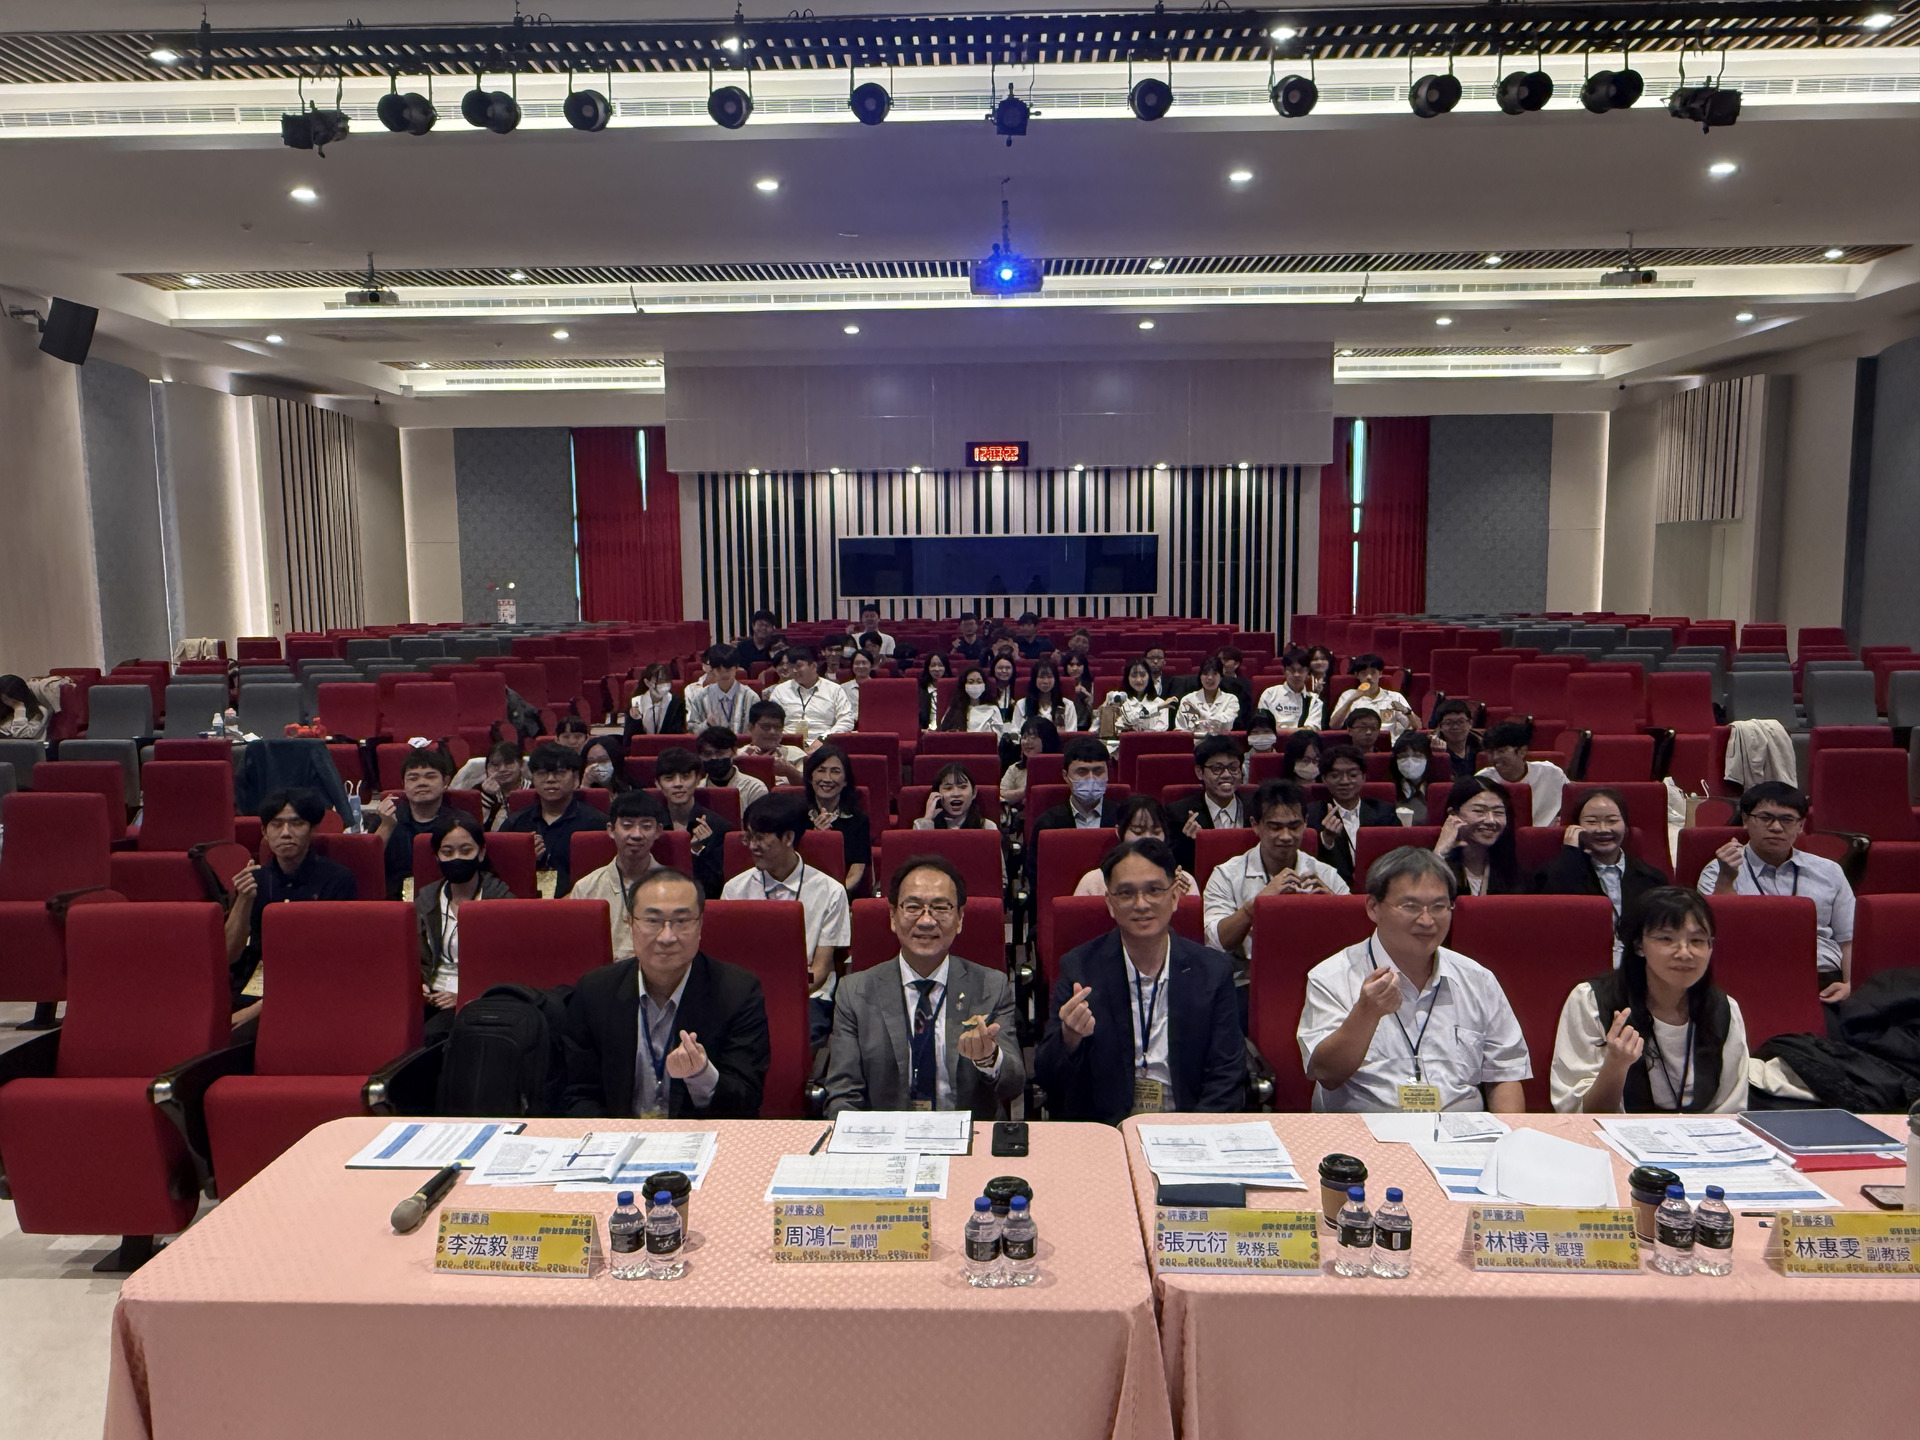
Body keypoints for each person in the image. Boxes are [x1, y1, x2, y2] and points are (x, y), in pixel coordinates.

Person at [1298, 846, 1530, 1113]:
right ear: (1373, 907)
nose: (1427, 920)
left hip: (1460, 1131)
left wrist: (1509, 1135)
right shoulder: (1332, 976)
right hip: (1364, 1130)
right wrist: (1366, 1013)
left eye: (1439, 907)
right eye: (1411, 907)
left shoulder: (1478, 979)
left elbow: (1505, 1075)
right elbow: (1327, 1074)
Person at [1036, 838, 1245, 1122]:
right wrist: (1069, 1039)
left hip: (1188, 1124)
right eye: (1126, 893)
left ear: (1174, 897)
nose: (1141, 904)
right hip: (1108, 1130)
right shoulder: (1080, 969)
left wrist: (1194, 1132)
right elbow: (1048, 1078)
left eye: (1154, 890)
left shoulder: (1212, 971)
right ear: (1110, 904)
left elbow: (1227, 1075)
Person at [822, 856, 1024, 1117]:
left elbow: (1013, 1084)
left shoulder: (990, 986)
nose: (926, 920)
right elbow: (843, 1095)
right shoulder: (855, 992)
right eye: (913, 907)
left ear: (960, 918)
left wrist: (989, 1058)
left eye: (940, 908)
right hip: (887, 1135)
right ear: (893, 916)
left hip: (966, 1133)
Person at [562, 867, 771, 1118]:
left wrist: (701, 1074)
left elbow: (747, 1100)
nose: (667, 936)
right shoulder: (595, 991)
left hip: (700, 1134)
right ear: (630, 923)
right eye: (653, 921)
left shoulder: (737, 992)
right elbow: (578, 1094)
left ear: (700, 925)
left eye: (682, 921)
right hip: (618, 1135)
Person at [1550, 887, 1748, 1114]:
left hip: (1705, 1134)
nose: (1684, 953)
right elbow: (1579, 1116)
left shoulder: (1724, 1010)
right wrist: (1616, 1064)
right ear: (1639, 945)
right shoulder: (1592, 1001)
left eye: (1697, 940)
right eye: (1666, 938)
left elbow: (1732, 1111)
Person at [1697, 782, 1855, 1002]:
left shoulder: (1829, 871)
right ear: (1745, 820)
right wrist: (1726, 879)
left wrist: (1850, 984)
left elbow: (1849, 939)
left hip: (1821, 977)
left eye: (1787, 819)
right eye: (1765, 818)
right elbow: (1718, 935)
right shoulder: (1718, 870)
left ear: (1801, 825)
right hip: (1750, 976)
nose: (1776, 827)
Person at [1203, 780, 1348, 1010]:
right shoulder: (1227, 874)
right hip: (1248, 982)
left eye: (1294, 826)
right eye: (1275, 827)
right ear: (1255, 825)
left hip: (1318, 979)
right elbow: (1216, 942)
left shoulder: (1325, 875)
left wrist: (1334, 908)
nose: (1286, 836)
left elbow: (1356, 941)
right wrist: (1255, 907)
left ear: (1306, 823)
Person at [722, 792, 851, 1045]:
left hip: (808, 996)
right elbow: (729, 963)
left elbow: (821, 970)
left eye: (760, 838)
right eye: (749, 837)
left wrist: (781, 998)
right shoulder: (734, 889)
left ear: (789, 838)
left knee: (797, 1036)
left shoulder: (830, 891)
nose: (752, 846)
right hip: (748, 997)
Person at [223, 788, 358, 1016]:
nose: (285, 833)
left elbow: (335, 958)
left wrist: (260, 1009)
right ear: (264, 832)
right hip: (255, 982)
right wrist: (244, 900)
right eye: (276, 825)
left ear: (313, 829)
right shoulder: (255, 880)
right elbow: (227, 955)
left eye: (296, 824)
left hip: (312, 990)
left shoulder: (337, 879)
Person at [1535, 787, 1668, 962]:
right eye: (1592, 822)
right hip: (1581, 962)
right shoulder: (1555, 874)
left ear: (1626, 827)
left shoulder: (1653, 878)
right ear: (1576, 827)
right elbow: (1555, 921)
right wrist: (1570, 853)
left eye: (1612, 821)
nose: (1603, 829)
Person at [415, 813, 514, 1038]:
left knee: (431, 1036)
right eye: (447, 852)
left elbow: (507, 968)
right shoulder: (426, 901)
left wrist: (464, 995)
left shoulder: (503, 902)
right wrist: (418, 986)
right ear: (437, 856)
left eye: (466, 851)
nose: (457, 858)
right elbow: (416, 958)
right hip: (432, 997)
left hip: (479, 998)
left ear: (481, 852)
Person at [571, 791, 671, 960]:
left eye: (646, 826)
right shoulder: (586, 888)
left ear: (658, 831)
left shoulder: (676, 888)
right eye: (627, 825)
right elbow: (577, 948)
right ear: (611, 829)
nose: (637, 834)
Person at [502, 742, 608, 897]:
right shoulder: (515, 823)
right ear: (533, 779)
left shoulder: (597, 824)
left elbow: (606, 876)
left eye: (560, 773)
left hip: (580, 903)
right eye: (542, 773)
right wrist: (524, 860)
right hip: (523, 903)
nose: (550, 779)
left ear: (576, 779)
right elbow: (498, 873)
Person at [1026, 735, 1128, 886]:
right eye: (1082, 772)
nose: (1091, 778)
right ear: (1066, 776)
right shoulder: (1047, 823)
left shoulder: (1124, 818)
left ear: (1108, 774)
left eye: (1098, 771)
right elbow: (1036, 876)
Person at [1309, 744, 1402, 887]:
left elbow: (1399, 854)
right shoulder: (1313, 814)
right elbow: (1308, 861)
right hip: (1331, 889)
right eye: (1335, 775)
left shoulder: (1384, 811)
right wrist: (1326, 839)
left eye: (1352, 775)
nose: (1345, 781)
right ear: (1324, 779)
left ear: (1364, 777)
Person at [374, 741, 455, 898]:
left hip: (445, 899)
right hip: (392, 901)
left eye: (430, 776)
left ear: (445, 782)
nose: (422, 783)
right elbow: (367, 867)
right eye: (413, 778)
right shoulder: (386, 819)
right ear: (403, 785)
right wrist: (386, 827)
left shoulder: (459, 822)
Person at [1074, 795, 1196, 897]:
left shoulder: (1183, 881)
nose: (1148, 839)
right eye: (1138, 831)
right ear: (1119, 832)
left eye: (1156, 832)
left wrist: (1178, 898)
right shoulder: (1094, 881)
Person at [654, 746, 733, 898]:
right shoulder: (650, 826)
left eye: (685, 777)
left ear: (697, 779)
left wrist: (698, 852)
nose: (678, 784)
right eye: (669, 778)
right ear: (658, 784)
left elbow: (717, 887)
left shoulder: (719, 827)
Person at [1165, 735, 1247, 874]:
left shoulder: (1257, 808)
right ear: (1199, 772)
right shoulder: (1178, 814)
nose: (1226, 775)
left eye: (1233, 767)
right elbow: (1171, 865)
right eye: (1217, 768)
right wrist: (1189, 843)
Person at [1434, 776, 1524, 896]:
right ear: (1453, 814)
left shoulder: (1516, 872)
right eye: (1479, 811)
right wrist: (1440, 854)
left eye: (1498, 812)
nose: (1491, 821)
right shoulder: (1434, 859)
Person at [803, 743, 872, 896]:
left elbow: (856, 871)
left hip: (843, 894)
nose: (827, 779)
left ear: (846, 780)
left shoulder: (858, 820)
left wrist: (835, 895)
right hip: (804, 894)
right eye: (821, 770)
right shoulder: (795, 816)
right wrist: (815, 836)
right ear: (810, 777)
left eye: (835, 771)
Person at [1477, 719, 1567, 829]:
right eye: (1490, 752)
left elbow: (1573, 804)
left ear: (1522, 751)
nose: (1495, 757)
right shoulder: (1482, 780)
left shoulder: (1551, 773)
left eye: (1501, 751)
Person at [766, 645, 854, 746]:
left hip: (824, 744)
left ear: (813, 666)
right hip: (787, 744)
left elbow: (846, 720)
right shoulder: (780, 690)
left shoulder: (834, 690)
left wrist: (824, 738)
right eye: (791, 667)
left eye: (798, 666)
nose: (794, 671)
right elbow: (770, 719)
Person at [1327, 653, 1416, 738]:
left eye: (1373, 672)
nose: (1369, 677)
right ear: (1357, 675)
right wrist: (1351, 700)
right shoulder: (1348, 695)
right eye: (1364, 673)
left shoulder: (1395, 696)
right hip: (1359, 744)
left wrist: (1407, 712)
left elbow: (1415, 726)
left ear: (1380, 674)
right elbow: (1334, 726)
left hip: (1390, 745)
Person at [450, 740, 527, 833]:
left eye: (508, 763)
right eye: (495, 765)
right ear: (487, 767)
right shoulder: (477, 792)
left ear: (521, 764)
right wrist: (486, 795)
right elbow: (471, 828)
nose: (502, 769)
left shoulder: (532, 789)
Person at [683, 644, 757, 733]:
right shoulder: (700, 697)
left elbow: (756, 731)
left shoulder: (751, 697)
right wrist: (707, 724)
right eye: (718, 669)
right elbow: (691, 730)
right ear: (712, 670)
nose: (724, 674)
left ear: (736, 668)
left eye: (728, 669)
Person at [998, 716, 1059, 817]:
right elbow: (1002, 794)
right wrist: (1027, 791)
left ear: (1047, 739)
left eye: (1033, 737)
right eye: (1024, 737)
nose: (1026, 742)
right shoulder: (1015, 768)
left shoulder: (1060, 767)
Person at [695, 725, 768, 808]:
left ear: (734, 752)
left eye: (720, 753)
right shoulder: (696, 789)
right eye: (707, 754)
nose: (714, 758)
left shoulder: (754, 788)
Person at [915, 762, 998, 834]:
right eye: (948, 788)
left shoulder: (987, 826)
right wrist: (928, 819)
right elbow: (920, 847)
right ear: (937, 794)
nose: (956, 794)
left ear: (974, 793)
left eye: (963, 787)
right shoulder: (921, 825)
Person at [1257, 648, 1325, 730]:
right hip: (1274, 737)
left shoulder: (1314, 700)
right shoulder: (1269, 694)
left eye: (1301, 670)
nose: (1296, 675)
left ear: (1307, 672)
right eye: (1292, 670)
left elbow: (1311, 729)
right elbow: (1263, 726)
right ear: (1284, 671)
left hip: (1302, 738)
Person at [741, 700, 805, 786]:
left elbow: (811, 786)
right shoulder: (739, 756)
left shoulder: (796, 754)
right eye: (766, 726)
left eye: (778, 727)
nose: (772, 732)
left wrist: (790, 771)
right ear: (751, 727)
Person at [1175, 657, 1240, 735]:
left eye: (1214, 673)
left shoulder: (1231, 699)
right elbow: (1181, 729)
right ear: (1200, 676)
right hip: (1194, 741)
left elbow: (1225, 723)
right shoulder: (1188, 700)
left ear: (1221, 677)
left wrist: (1201, 720)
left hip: (1221, 741)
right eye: (1205, 674)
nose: (1210, 678)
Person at [1107, 659, 1170, 733]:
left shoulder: (1161, 703)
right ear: (1127, 678)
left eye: (1143, 675)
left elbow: (1161, 730)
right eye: (1134, 675)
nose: (1138, 680)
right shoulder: (1117, 700)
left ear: (1149, 677)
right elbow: (1115, 728)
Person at [1020, 658, 1082, 732]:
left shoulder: (1068, 705)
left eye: (1050, 677)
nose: (1046, 681)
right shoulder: (1022, 704)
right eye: (1041, 677)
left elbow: (1071, 733)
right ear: (1034, 680)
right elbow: (1016, 732)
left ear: (1055, 679)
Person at [625, 663, 686, 737]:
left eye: (666, 681)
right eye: (660, 681)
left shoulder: (676, 703)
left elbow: (677, 734)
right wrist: (636, 720)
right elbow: (629, 737)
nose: (664, 685)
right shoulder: (636, 702)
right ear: (647, 682)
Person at [1428, 697, 1480, 780]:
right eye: (1449, 723)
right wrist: (1438, 756)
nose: (1455, 727)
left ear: (1470, 723)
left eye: (1461, 722)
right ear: (1440, 726)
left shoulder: (1482, 745)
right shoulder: (1429, 748)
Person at [940, 666, 1003, 733]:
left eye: (979, 682)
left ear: (985, 685)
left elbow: (998, 735)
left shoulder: (993, 710)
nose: (975, 685)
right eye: (970, 682)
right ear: (964, 685)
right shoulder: (953, 710)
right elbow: (945, 733)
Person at [1389, 730, 1432, 823]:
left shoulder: (1436, 790)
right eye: (1403, 756)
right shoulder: (1389, 791)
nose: (1410, 761)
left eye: (1417, 756)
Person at [0, 674, 50, 740]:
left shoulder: (39, 711)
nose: (9, 702)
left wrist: (19, 709)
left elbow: (23, 736)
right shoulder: (4, 708)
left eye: (13, 699)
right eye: (5, 699)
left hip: (23, 745)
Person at [987, 654, 1022, 733]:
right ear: (993, 669)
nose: (1004, 671)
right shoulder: (987, 689)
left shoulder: (1018, 689)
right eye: (1000, 668)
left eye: (1008, 668)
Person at [916, 652, 950, 729]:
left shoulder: (953, 688)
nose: (937, 669)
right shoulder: (920, 689)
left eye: (940, 665)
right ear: (927, 668)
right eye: (933, 665)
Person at [843, 650, 874, 721]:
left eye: (864, 663)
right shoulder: (843, 688)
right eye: (857, 663)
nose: (860, 666)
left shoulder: (879, 687)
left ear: (871, 665)